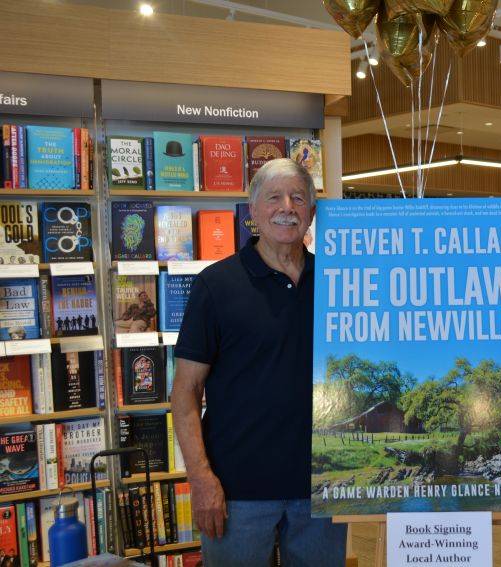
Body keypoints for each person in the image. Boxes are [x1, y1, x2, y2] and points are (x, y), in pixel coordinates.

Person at [172, 158, 346, 567]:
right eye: (274, 197)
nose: (287, 207)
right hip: (236, 495)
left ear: (312, 213)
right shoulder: (215, 286)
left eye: (298, 198)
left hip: (322, 490)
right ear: (253, 211)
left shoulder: (339, 283)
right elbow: (185, 391)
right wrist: (201, 479)